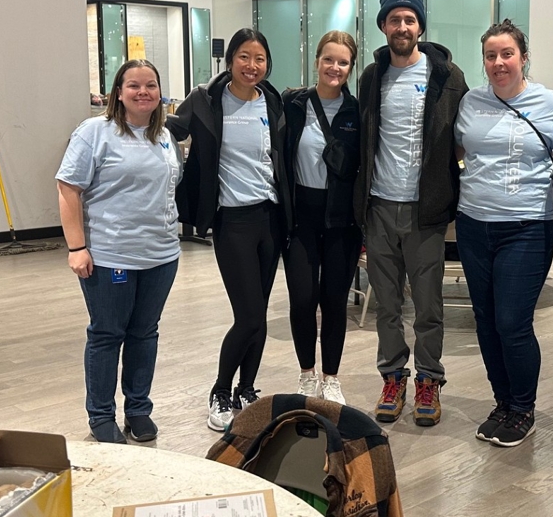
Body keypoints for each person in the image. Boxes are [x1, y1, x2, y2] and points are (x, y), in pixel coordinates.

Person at [453, 21, 553, 447]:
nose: (499, 63)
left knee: (512, 322)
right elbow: (458, 150)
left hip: (527, 227)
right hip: (472, 225)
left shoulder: (551, 106)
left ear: (523, 58)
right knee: (485, 321)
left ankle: (523, 408)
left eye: (507, 54)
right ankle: (502, 402)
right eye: (490, 56)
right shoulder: (470, 103)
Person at [167, 29, 291, 432]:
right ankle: (221, 390)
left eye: (259, 58)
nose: (251, 66)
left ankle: (247, 388)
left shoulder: (271, 101)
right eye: (243, 57)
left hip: (270, 218)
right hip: (232, 221)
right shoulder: (205, 100)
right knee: (250, 315)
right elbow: (169, 131)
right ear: (230, 60)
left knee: (260, 315)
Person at [354, 0, 467, 427]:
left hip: (426, 211)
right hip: (379, 206)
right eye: (394, 20)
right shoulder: (371, 76)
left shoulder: (447, 75)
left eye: (409, 20)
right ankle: (392, 377)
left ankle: (429, 380)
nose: (402, 27)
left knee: (428, 305)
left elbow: (465, 133)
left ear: (420, 27)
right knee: (386, 306)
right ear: (383, 27)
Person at [57, 59, 182, 444]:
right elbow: (68, 188)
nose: (143, 92)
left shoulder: (164, 135)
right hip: (111, 255)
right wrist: (77, 247)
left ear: (160, 92)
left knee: (145, 333)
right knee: (108, 335)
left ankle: (138, 410)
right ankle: (101, 416)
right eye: (133, 85)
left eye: (150, 85)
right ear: (118, 92)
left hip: (160, 255)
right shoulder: (95, 132)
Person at [281, 31, 362, 405]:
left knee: (334, 302)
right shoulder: (293, 104)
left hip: (341, 222)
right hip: (301, 219)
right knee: (302, 299)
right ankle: (306, 374)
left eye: (343, 62)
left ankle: (331, 377)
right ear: (316, 61)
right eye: (329, 59)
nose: (335, 68)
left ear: (351, 67)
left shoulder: (356, 113)